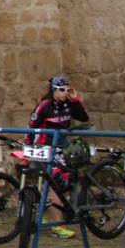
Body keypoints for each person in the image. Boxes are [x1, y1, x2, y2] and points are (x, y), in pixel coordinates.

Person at [29, 75, 90, 238]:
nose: (64, 93)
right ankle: (57, 224)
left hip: (62, 148)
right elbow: (32, 127)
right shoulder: (45, 106)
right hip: (46, 147)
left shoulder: (69, 104)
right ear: (53, 90)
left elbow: (83, 117)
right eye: (61, 90)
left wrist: (75, 99)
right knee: (54, 183)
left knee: (68, 180)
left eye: (67, 90)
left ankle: (46, 211)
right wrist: (29, 148)